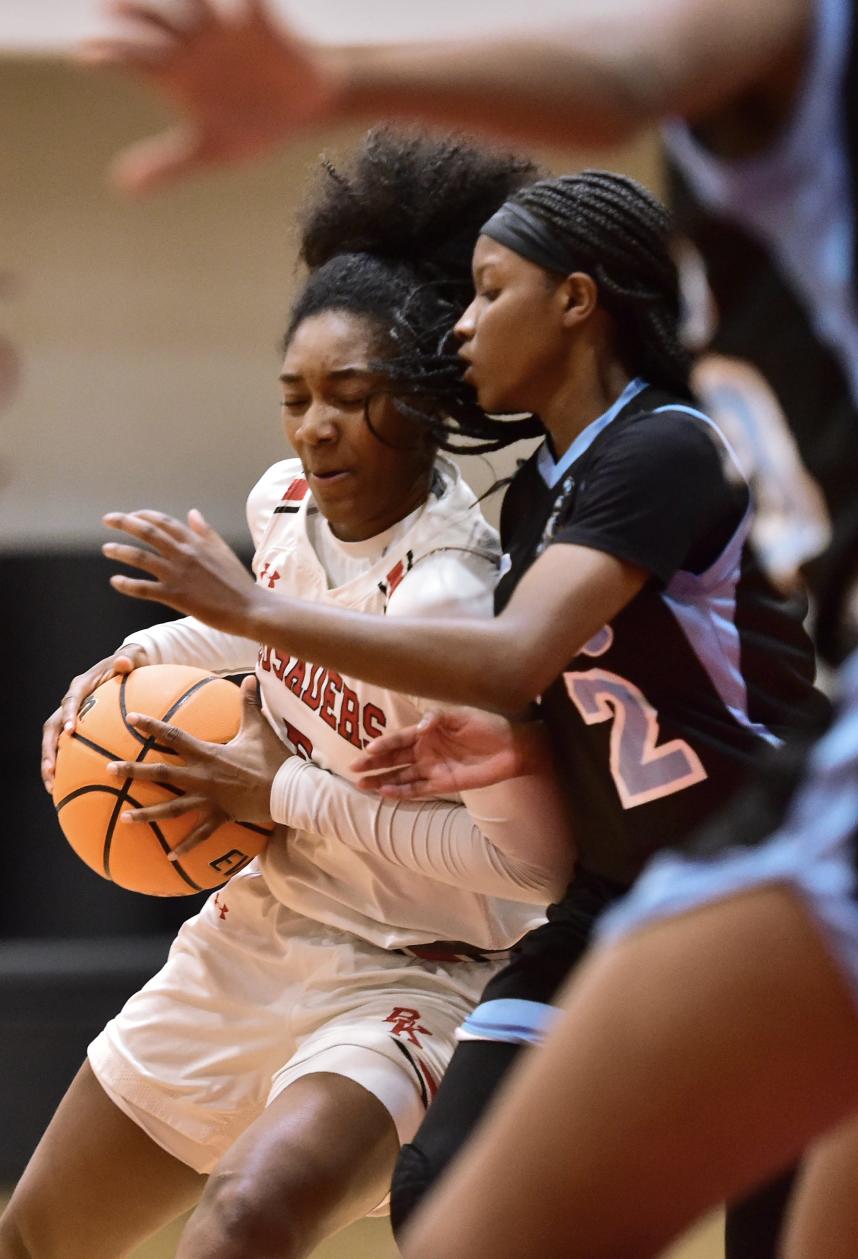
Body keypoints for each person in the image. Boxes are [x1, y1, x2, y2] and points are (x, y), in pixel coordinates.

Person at [84, 1, 858, 1253]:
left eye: (488, 291)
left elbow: (513, 653)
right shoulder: (558, 480)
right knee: (452, 1195)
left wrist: (247, 608)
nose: (457, 323)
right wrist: (494, 748)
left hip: (823, 791)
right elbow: (561, 676)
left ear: (579, 301)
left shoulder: (664, 445)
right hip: (650, 871)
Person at [1, 131, 574, 1259]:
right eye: (296, 395)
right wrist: (126, 665)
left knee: (246, 1220)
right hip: (260, 929)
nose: (315, 425)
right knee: (36, 1232)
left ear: (421, 403)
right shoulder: (281, 505)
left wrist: (289, 790)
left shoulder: (451, 601)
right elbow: (255, 628)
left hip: (413, 968)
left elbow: (531, 868)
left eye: (351, 396)